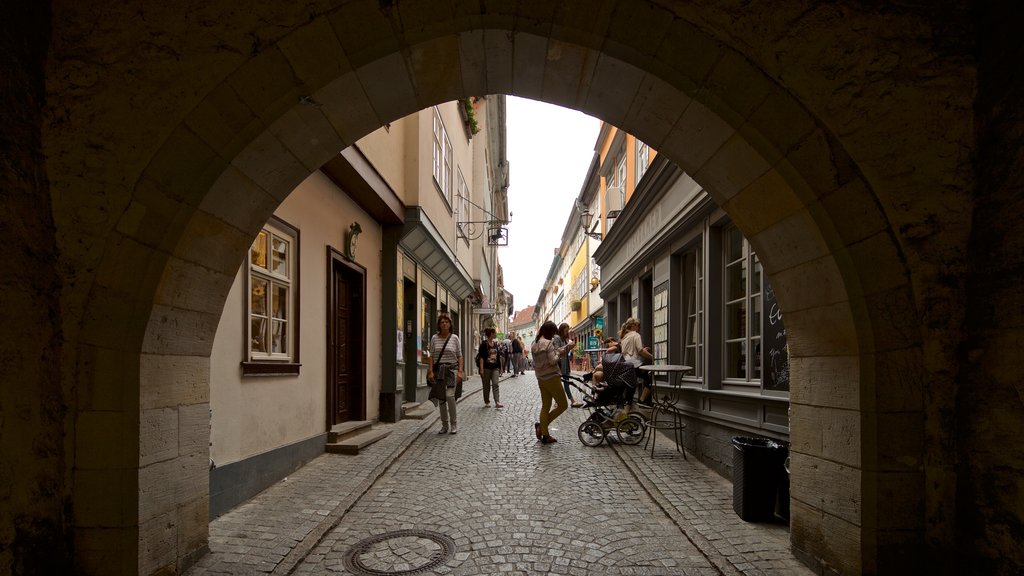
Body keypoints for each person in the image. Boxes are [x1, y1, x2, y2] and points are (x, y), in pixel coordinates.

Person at [532, 321, 574, 444]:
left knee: (545, 406)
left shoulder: (534, 345)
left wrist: (560, 350)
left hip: (541, 378)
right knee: (563, 405)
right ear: (550, 332)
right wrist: (560, 354)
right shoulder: (548, 343)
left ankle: (545, 434)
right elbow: (552, 361)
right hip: (552, 377)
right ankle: (542, 426)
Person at [427, 313, 463, 434]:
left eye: (446, 321)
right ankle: (444, 425)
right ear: (439, 324)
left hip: (452, 370)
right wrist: (430, 371)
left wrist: (460, 372)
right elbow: (431, 356)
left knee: (449, 396)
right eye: (442, 322)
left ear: (450, 324)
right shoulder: (434, 338)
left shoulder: (454, 338)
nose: (444, 323)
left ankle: (454, 423)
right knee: (441, 399)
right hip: (439, 371)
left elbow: (460, 356)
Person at [620, 317, 654, 405]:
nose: (639, 328)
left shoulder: (624, 337)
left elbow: (631, 350)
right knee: (651, 377)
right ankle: (642, 400)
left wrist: (642, 349)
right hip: (634, 364)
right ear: (634, 326)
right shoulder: (636, 335)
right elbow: (640, 351)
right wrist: (653, 358)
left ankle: (627, 406)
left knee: (630, 387)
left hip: (626, 364)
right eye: (639, 326)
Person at [553, 323, 583, 408]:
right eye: (566, 330)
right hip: (559, 364)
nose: (567, 332)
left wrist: (571, 347)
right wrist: (567, 346)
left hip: (565, 364)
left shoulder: (565, 339)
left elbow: (566, 350)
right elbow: (557, 350)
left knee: (566, 383)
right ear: (562, 330)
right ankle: (558, 401)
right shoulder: (557, 338)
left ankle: (571, 401)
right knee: (558, 384)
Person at [476, 327, 503, 408]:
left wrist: (500, 367)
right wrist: (481, 369)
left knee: (495, 383)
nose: (495, 334)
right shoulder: (484, 344)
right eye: (494, 333)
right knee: (486, 386)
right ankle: (487, 401)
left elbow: (498, 357)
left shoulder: (495, 344)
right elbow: (481, 357)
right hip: (486, 368)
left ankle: (497, 401)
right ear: (491, 334)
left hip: (495, 367)